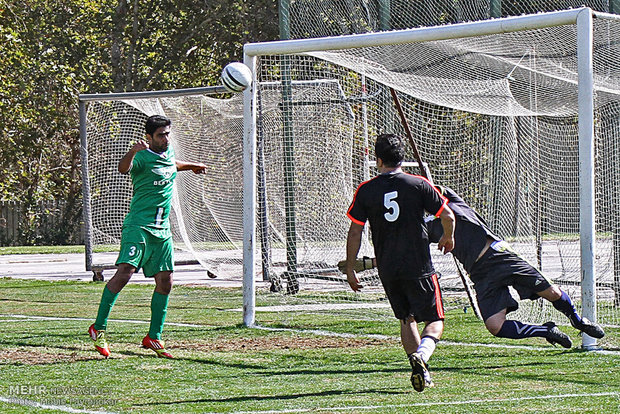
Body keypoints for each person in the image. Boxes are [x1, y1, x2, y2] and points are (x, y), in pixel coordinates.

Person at [345, 185, 605, 349]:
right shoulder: (420, 227)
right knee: (495, 327)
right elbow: (404, 254)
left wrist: (425, 187)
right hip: (479, 273)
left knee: (552, 293)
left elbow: (436, 189)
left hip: (499, 255)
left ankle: (578, 320)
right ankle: (546, 330)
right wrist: (367, 263)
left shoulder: (447, 202)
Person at [88, 114, 207, 359]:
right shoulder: (141, 157)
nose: (166, 138)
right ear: (149, 137)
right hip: (139, 227)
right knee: (124, 274)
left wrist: (191, 166)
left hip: (161, 231)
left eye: (167, 133)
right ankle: (98, 328)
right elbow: (124, 168)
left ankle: (154, 337)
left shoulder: (169, 153)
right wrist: (132, 151)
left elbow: (171, 164)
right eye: (161, 135)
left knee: (166, 282)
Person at [345, 133, 456, 392]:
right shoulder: (418, 184)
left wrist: (351, 267)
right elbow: (448, 215)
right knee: (436, 319)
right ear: (402, 158)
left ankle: (420, 371)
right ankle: (424, 355)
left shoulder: (366, 189)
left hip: (387, 267)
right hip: (417, 265)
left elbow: (355, 231)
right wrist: (448, 238)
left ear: (378, 159)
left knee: (406, 318)